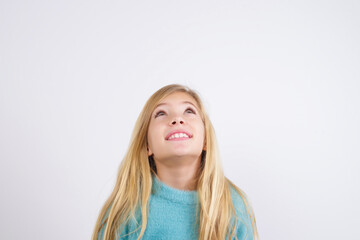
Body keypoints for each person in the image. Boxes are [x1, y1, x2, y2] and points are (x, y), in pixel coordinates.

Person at [92, 84, 258, 240]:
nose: (177, 119)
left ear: (206, 140)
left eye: (189, 111)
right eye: (161, 113)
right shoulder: (125, 209)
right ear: (147, 145)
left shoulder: (234, 206)